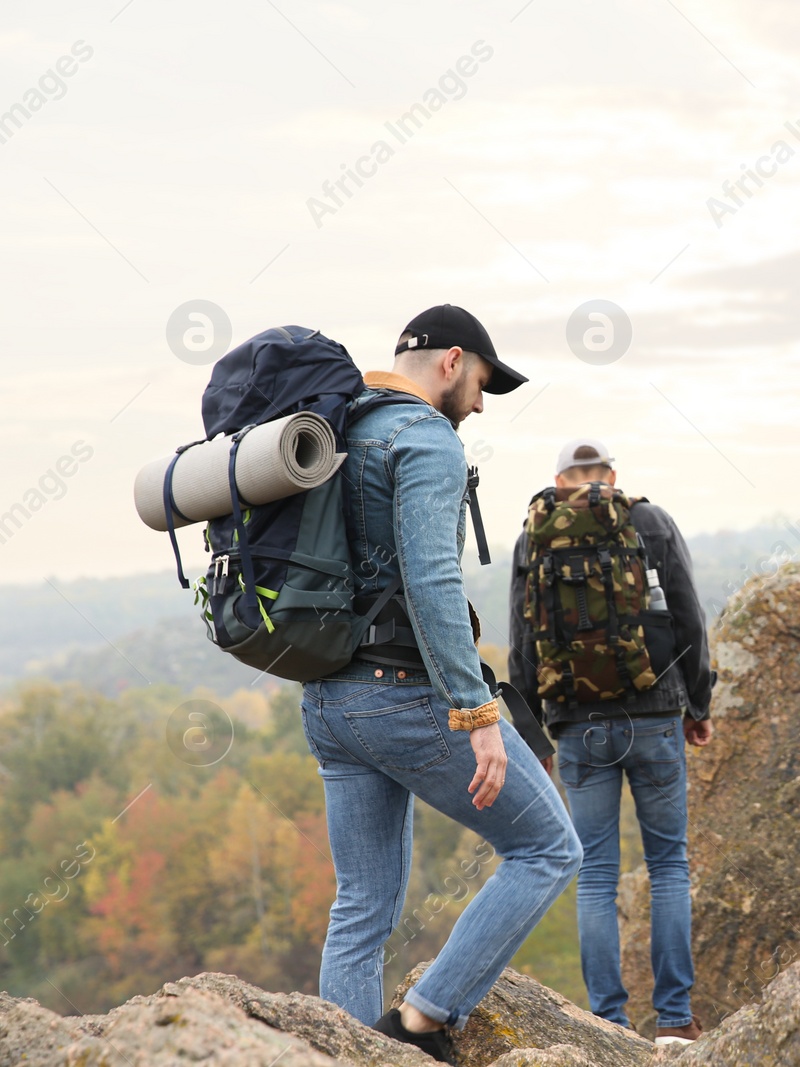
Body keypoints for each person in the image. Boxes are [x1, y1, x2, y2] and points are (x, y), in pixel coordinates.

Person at [300, 305, 582, 1064]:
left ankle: (349, 1054)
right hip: (400, 694)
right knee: (551, 848)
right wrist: (478, 712)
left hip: (327, 701)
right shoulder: (424, 438)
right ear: (452, 360)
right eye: (484, 383)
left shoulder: (336, 424)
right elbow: (430, 581)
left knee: (361, 907)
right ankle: (423, 1021)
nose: (482, 404)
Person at [508, 439, 716, 1045]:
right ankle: (675, 1020)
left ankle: (610, 1023)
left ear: (559, 480)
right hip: (654, 715)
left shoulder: (535, 533)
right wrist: (696, 704)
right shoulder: (648, 519)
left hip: (576, 723)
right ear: (612, 478)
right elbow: (688, 616)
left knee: (596, 873)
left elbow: (523, 635)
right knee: (668, 866)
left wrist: (532, 732)